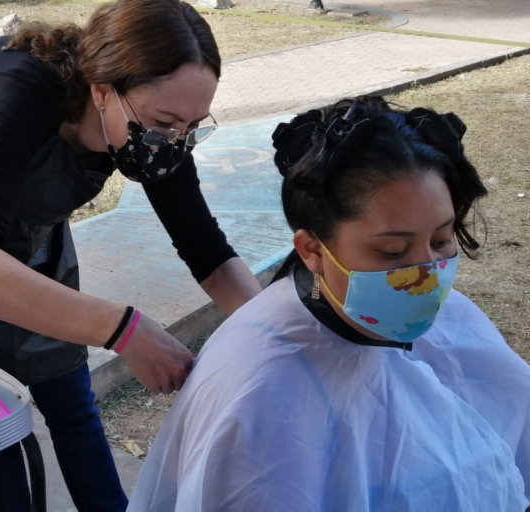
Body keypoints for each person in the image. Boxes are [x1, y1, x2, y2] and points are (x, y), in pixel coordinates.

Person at [0, 0, 263, 510]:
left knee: (69, 393)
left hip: (28, 217)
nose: (174, 143)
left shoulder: (155, 134)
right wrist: (124, 329)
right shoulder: (22, 90)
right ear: (102, 91)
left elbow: (208, 252)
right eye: (164, 124)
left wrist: (277, 334)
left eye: (192, 127)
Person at [126, 97, 530, 512]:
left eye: (442, 240)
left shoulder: (454, 317)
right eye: (393, 252)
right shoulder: (261, 399)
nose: (427, 273)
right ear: (313, 251)